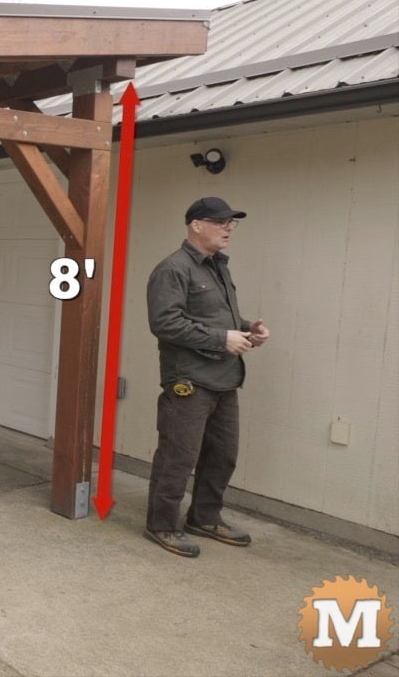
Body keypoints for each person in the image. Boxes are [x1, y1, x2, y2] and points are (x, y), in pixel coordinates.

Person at [143, 196, 271, 558]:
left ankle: (204, 518)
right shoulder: (173, 268)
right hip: (190, 382)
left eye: (232, 222)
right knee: (178, 457)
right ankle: (162, 525)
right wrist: (221, 339)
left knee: (222, 456)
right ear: (196, 225)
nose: (229, 227)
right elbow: (165, 323)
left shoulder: (218, 267)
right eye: (221, 221)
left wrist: (247, 330)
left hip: (225, 379)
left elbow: (217, 319)